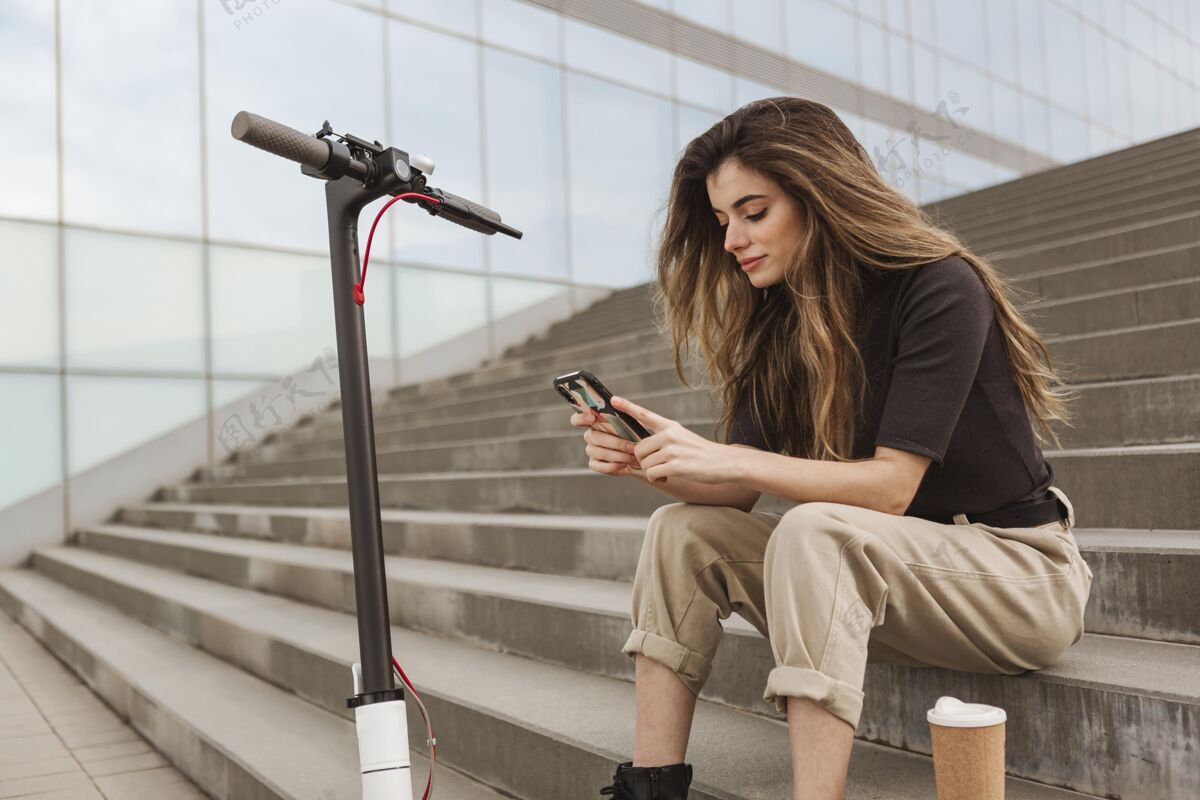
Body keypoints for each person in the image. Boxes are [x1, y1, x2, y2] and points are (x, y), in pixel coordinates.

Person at [574, 98, 1094, 800]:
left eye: (754, 213)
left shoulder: (938, 286)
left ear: (818, 197)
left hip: (1017, 576)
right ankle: (650, 788)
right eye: (724, 220)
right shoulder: (779, 321)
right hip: (894, 579)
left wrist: (727, 457)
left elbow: (890, 490)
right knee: (681, 531)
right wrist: (655, 460)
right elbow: (733, 494)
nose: (731, 240)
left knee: (813, 528)